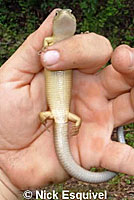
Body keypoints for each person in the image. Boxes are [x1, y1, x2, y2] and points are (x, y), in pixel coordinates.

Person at [0, 9, 133, 199]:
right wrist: (3, 175)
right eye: (60, 13)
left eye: (70, 12)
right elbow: (45, 43)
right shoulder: (50, 42)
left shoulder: (54, 44)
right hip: (61, 115)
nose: (65, 14)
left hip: (58, 115)